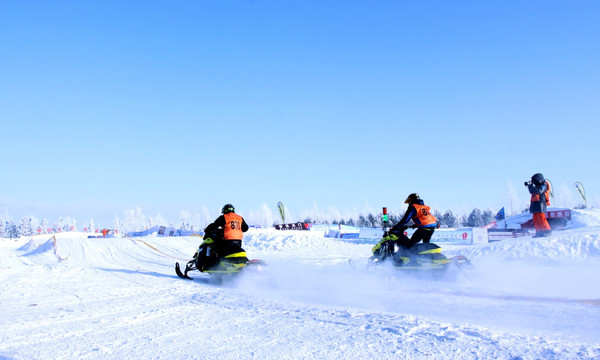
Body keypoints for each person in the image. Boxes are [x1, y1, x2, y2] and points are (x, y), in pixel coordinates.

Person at [372, 193, 438, 256]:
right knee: (425, 245)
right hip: (432, 226)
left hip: (424, 228)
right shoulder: (423, 206)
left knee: (410, 245)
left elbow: (405, 219)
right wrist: (414, 225)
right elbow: (425, 218)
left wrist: (396, 227)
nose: (409, 203)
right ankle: (426, 258)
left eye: (409, 201)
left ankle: (411, 261)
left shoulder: (413, 207)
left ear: (412, 200)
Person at [194, 204, 249, 271]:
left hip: (227, 241)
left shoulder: (224, 217)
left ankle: (214, 266)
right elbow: (245, 228)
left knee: (215, 249)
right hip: (238, 242)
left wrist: (207, 230)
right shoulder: (239, 218)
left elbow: (214, 225)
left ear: (224, 210)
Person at [525, 173, 552, 237]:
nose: (534, 183)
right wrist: (529, 186)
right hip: (535, 203)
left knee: (541, 218)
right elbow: (532, 192)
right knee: (535, 219)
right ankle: (539, 232)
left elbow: (539, 191)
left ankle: (547, 231)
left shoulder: (544, 185)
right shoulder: (537, 186)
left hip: (541, 203)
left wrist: (531, 186)